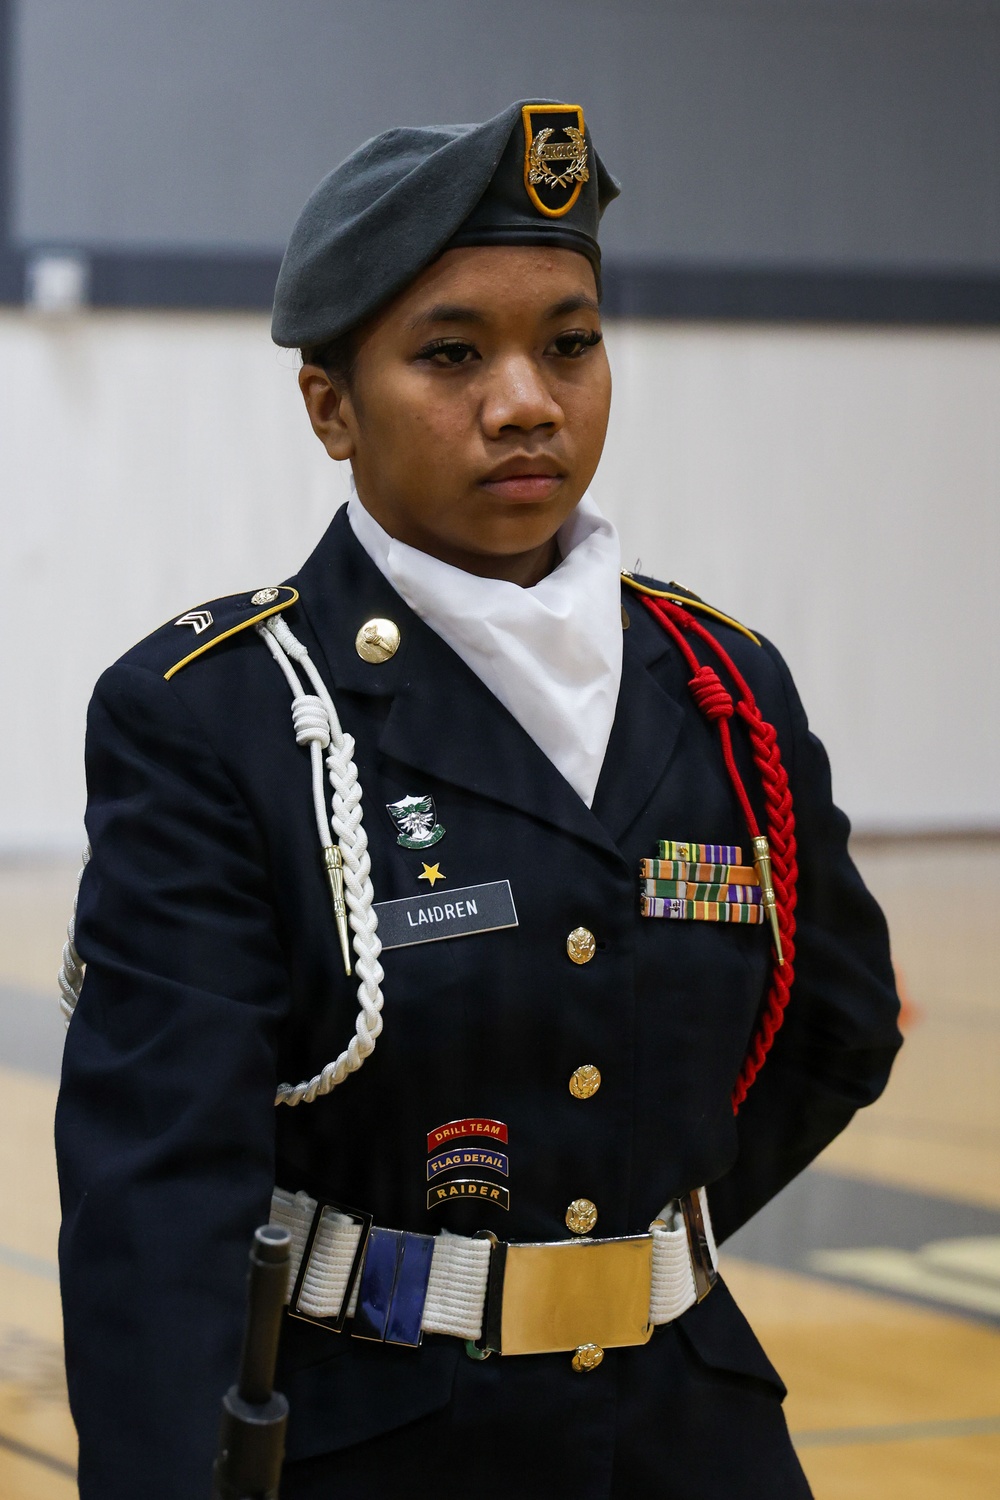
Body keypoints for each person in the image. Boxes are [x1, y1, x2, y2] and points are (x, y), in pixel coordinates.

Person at [56, 99, 902, 1499]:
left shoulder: (725, 683)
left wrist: (606, 1254)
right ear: (331, 405)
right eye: (452, 354)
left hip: (694, 1433)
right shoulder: (220, 717)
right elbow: (160, 1202)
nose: (526, 400)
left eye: (569, 342)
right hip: (373, 1440)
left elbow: (836, 1025)